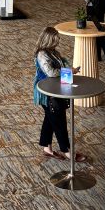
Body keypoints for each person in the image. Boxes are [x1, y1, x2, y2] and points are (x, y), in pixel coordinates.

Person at [33, 26, 84, 161]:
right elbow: (50, 72)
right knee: (59, 121)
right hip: (47, 93)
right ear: (48, 40)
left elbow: (59, 68)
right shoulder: (42, 54)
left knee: (50, 119)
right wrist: (68, 72)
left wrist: (69, 69)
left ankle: (46, 147)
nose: (58, 42)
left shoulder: (52, 51)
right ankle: (66, 151)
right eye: (56, 40)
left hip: (54, 89)